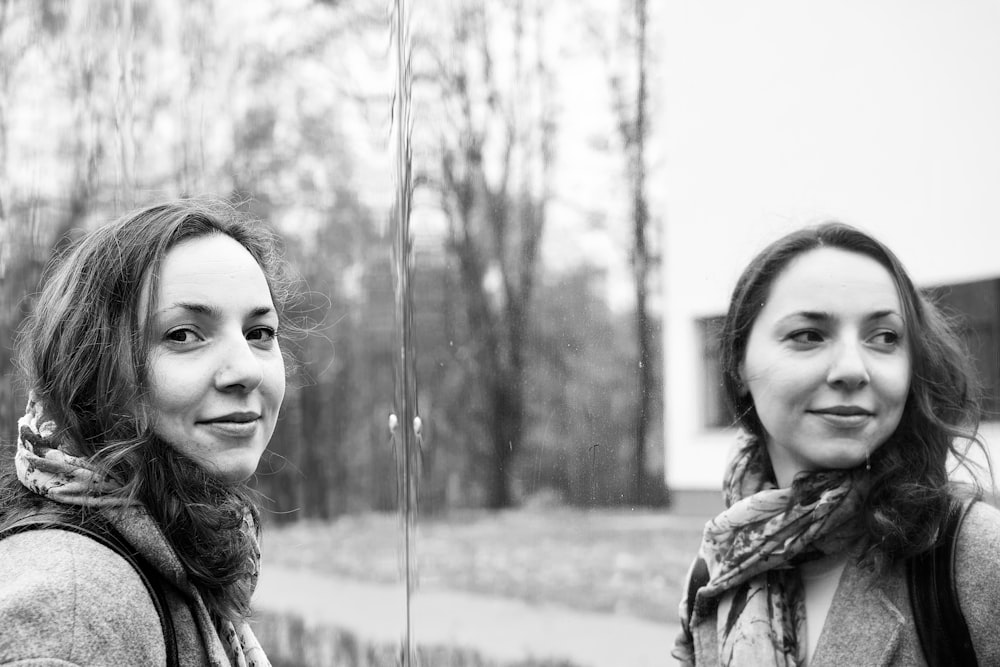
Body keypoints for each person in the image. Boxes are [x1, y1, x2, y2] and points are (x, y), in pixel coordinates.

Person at [673, 222, 1000, 666]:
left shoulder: (973, 557)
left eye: (885, 337)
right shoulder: (720, 564)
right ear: (737, 365)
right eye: (808, 335)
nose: (852, 368)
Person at [0, 198, 293, 666]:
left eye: (260, 333)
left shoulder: (171, 555)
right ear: (90, 371)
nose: (246, 370)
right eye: (182, 335)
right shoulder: (75, 612)